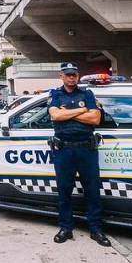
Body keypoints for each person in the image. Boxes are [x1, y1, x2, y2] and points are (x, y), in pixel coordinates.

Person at [47, 62, 111, 247]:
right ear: (61, 76)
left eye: (74, 74)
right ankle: (65, 228)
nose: (71, 77)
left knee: (92, 190)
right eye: (68, 74)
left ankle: (96, 229)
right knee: (64, 190)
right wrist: (82, 110)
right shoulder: (55, 94)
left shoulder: (87, 94)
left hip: (86, 149)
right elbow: (56, 116)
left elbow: (95, 118)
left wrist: (67, 112)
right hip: (64, 150)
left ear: (77, 75)